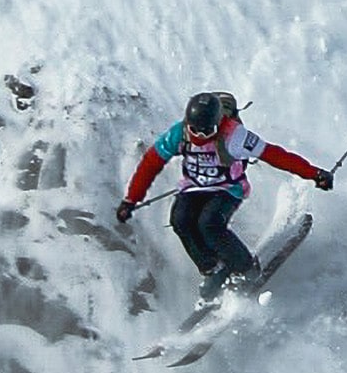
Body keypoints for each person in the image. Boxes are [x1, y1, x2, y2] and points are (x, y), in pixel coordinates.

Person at [115, 91, 335, 302]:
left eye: (207, 131)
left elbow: (275, 155)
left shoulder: (234, 135)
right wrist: (130, 200)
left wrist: (314, 173)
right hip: (194, 188)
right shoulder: (179, 134)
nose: (200, 137)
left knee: (209, 223)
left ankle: (246, 267)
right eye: (195, 131)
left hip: (228, 189)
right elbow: (151, 163)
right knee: (180, 220)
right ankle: (213, 269)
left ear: (217, 123)